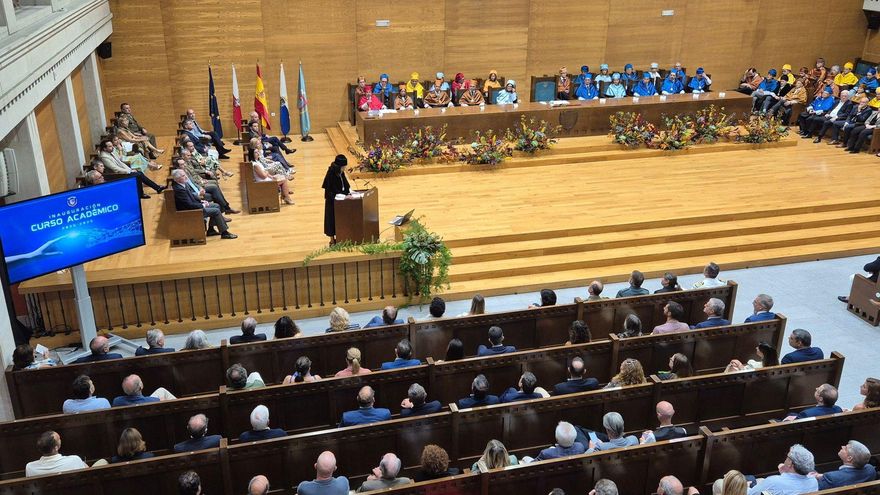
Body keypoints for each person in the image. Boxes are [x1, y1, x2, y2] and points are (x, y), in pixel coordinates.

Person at [171, 169, 237, 239]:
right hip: (190, 212)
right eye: (183, 176)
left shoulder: (183, 184)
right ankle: (225, 233)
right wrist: (202, 205)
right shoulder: (179, 189)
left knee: (216, 205)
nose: (186, 177)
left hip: (195, 206)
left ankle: (211, 230)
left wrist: (202, 201)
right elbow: (188, 205)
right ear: (177, 179)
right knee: (216, 211)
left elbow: (192, 196)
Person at [98, 138, 165, 199]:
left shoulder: (110, 152)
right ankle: (152, 190)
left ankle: (152, 190)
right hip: (116, 175)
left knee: (138, 173)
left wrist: (130, 170)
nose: (112, 147)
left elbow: (120, 163)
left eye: (112, 145)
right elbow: (115, 169)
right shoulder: (104, 157)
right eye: (110, 146)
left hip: (122, 171)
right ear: (104, 148)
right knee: (138, 174)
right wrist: (129, 171)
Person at [746, 444, 818, 495]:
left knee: (749, 479)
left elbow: (750, 494)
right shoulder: (813, 481)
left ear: (790, 463)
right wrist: (784, 475)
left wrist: (746, 487)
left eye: (787, 456)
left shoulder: (772, 482)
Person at [812, 441, 877, 489]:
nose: (842, 447)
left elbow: (814, 488)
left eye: (845, 448)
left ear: (849, 458)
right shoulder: (870, 470)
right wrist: (823, 476)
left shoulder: (831, 478)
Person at [322, 155, 350, 246]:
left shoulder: (340, 172)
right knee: (331, 220)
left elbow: (345, 184)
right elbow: (330, 189)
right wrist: (340, 194)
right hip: (332, 200)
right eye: (343, 167)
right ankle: (332, 240)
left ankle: (341, 237)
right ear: (339, 166)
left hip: (341, 200)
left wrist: (348, 192)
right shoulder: (331, 173)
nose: (344, 169)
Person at [112, 374, 177, 406]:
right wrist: (162, 401)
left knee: (161, 390)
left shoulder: (116, 401)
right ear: (141, 387)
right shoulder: (154, 401)